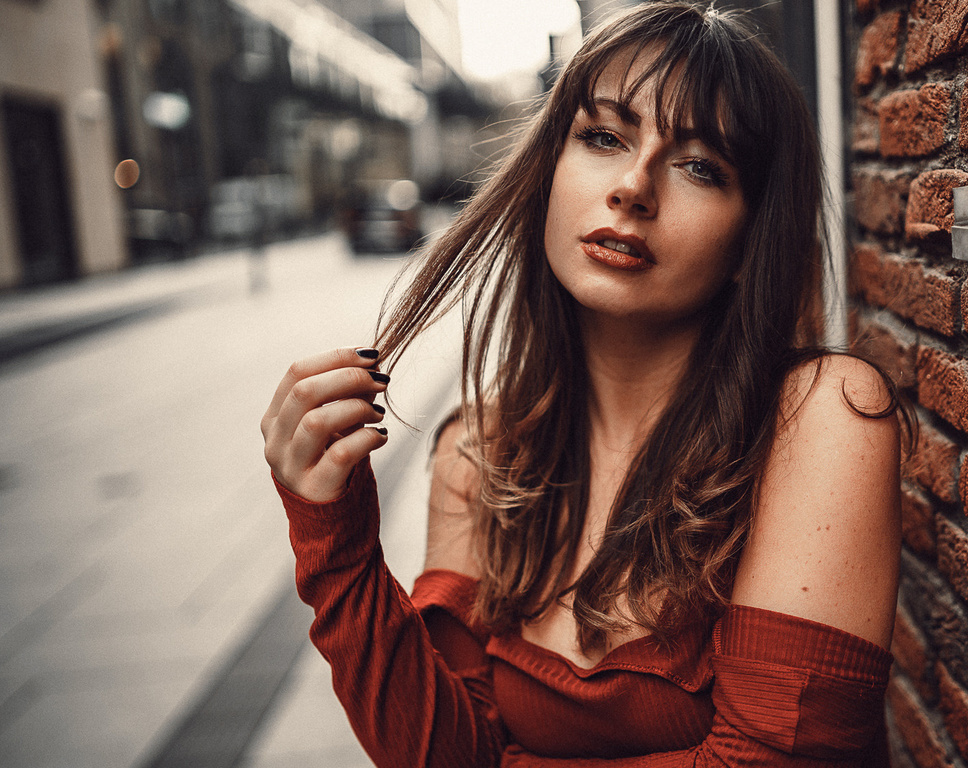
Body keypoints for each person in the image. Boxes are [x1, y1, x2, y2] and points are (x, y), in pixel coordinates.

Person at [260, 3, 910, 765]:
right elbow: (446, 754)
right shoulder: (478, 452)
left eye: (702, 166)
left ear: (750, 239)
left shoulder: (822, 417)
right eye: (603, 137)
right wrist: (332, 539)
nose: (634, 186)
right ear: (549, 173)